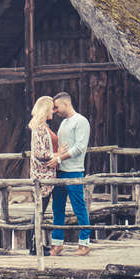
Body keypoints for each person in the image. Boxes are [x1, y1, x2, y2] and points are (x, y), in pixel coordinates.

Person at [47, 91, 91, 256]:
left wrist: (59, 159)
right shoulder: (63, 123)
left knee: (79, 208)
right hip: (60, 173)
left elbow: (80, 148)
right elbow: (62, 147)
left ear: (66, 104)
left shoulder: (81, 121)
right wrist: (57, 156)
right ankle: (57, 243)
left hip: (74, 172)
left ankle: (84, 244)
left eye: (57, 107)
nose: (55, 111)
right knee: (57, 208)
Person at [27, 95, 58, 255]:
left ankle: (36, 244)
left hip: (46, 175)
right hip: (42, 176)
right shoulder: (39, 127)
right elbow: (39, 152)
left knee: (40, 210)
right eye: (51, 107)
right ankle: (33, 247)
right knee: (39, 210)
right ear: (46, 109)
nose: (53, 110)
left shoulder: (43, 126)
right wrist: (55, 156)